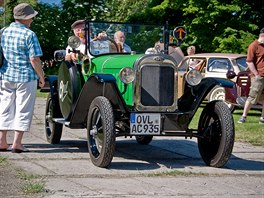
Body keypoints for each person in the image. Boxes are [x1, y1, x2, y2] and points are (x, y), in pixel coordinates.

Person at [0, 3, 45, 153]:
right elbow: (34, 59)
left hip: (5, 76)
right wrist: (41, 76)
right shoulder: (29, 34)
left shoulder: (3, 32)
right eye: (32, 17)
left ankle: (2, 141)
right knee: (23, 109)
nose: (32, 20)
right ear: (26, 18)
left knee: (5, 107)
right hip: (25, 77)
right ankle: (17, 144)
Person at [238, 27, 264, 124]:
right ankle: (243, 117)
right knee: (252, 97)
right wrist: (256, 74)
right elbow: (249, 62)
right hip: (258, 76)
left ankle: (262, 118)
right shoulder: (254, 45)